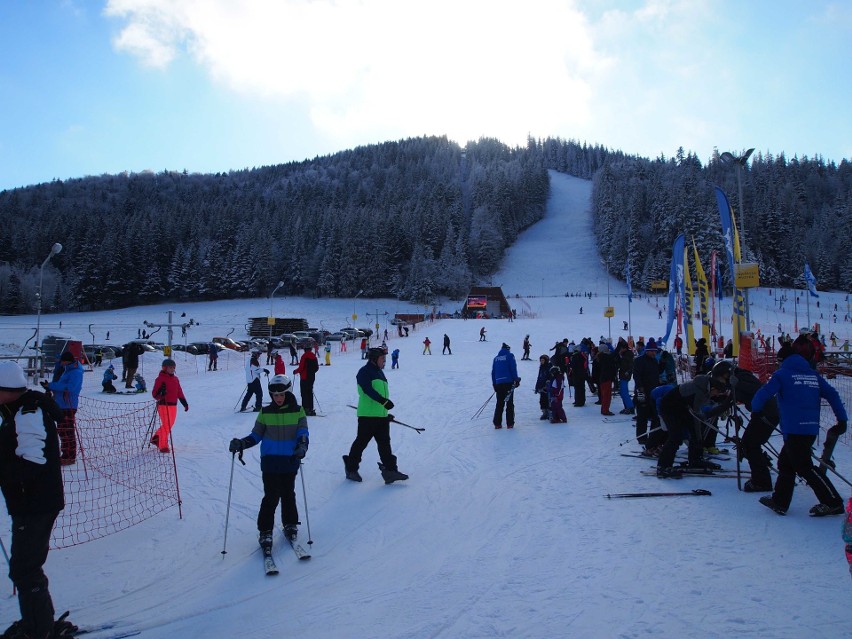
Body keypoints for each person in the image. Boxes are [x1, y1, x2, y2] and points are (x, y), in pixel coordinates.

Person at [0, 361, 78, 639]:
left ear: (8, 390)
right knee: (25, 567)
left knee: (25, 568)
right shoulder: (18, 411)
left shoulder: (28, 413)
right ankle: (37, 621)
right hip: (31, 502)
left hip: (35, 503)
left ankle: (40, 628)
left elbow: (33, 462)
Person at [752, 335, 846, 516]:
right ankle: (780, 501)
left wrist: (756, 411)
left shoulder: (782, 374)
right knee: (786, 463)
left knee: (804, 467)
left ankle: (833, 502)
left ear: (783, 360)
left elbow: (764, 393)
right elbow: (832, 394)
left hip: (794, 429)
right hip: (810, 429)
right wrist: (841, 420)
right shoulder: (813, 375)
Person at [228, 374, 309, 548]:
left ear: (287, 393)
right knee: (271, 496)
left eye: (281, 395)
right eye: (275, 395)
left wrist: (302, 447)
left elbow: (303, 433)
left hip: (290, 460)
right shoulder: (265, 412)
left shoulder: (298, 411)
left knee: (288, 493)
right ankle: (265, 530)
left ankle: (290, 523)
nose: (278, 398)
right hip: (270, 462)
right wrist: (242, 443)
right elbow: (256, 435)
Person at [343, 347, 408, 484]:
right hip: (367, 416)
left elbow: (380, 394)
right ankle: (351, 468)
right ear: (374, 359)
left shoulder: (380, 373)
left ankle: (390, 471)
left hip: (380, 417)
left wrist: (385, 413)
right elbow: (367, 390)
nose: (384, 361)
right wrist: (383, 402)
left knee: (385, 444)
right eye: (382, 359)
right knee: (361, 443)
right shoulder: (364, 372)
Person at [655, 365, 733, 478]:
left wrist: (698, 436)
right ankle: (663, 467)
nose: (715, 396)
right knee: (676, 436)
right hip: (669, 408)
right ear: (712, 389)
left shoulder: (705, 387)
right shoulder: (699, 391)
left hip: (683, 407)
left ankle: (695, 459)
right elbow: (697, 416)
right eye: (716, 393)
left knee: (696, 432)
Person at [46, 351, 83, 465]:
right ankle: (65, 454)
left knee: (67, 431)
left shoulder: (76, 372)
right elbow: (63, 385)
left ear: (67, 360)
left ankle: (69, 456)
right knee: (63, 431)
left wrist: (52, 386)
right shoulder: (68, 370)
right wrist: (50, 388)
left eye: (63, 361)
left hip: (68, 405)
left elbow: (71, 387)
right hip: (62, 403)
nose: (61, 363)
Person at [633, 338, 665, 455]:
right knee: (642, 416)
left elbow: (657, 374)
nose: (654, 353)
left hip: (654, 393)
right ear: (647, 350)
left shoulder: (654, 361)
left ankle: (653, 437)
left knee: (655, 417)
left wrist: (662, 364)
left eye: (655, 351)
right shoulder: (639, 361)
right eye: (652, 351)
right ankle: (641, 437)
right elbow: (637, 377)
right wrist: (640, 392)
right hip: (643, 391)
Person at [151, 358, 188, 454]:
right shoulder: (160, 379)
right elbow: (155, 394)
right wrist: (161, 393)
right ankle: (163, 445)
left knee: (169, 424)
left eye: (173, 367)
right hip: (163, 404)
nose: (172, 369)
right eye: (170, 367)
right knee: (167, 425)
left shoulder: (175, 379)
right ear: (164, 368)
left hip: (173, 405)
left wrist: (184, 403)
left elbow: (179, 392)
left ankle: (156, 437)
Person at [491, 343, 521, 429]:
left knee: (499, 403)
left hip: (498, 383)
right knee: (509, 403)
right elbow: (513, 368)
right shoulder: (510, 356)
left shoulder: (495, 358)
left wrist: (494, 384)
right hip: (508, 382)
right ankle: (510, 423)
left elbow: (493, 372)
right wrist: (516, 379)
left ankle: (497, 423)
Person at [293, 345, 319, 416]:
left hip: (304, 378)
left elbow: (301, 367)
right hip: (311, 377)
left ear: (305, 349)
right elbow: (317, 368)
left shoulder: (304, 356)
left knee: (304, 393)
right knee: (310, 392)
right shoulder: (314, 356)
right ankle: (310, 408)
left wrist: (296, 371)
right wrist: (311, 372)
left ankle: (305, 408)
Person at [534, 355, 552, 420]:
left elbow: (550, 377)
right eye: (541, 360)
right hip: (541, 387)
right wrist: (537, 386)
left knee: (548, 400)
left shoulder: (549, 367)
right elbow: (539, 377)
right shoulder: (541, 367)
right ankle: (544, 412)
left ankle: (549, 412)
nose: (541, 362)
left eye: (543, 360)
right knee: (542, 401)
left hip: (547, 387)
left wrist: (547, 385)